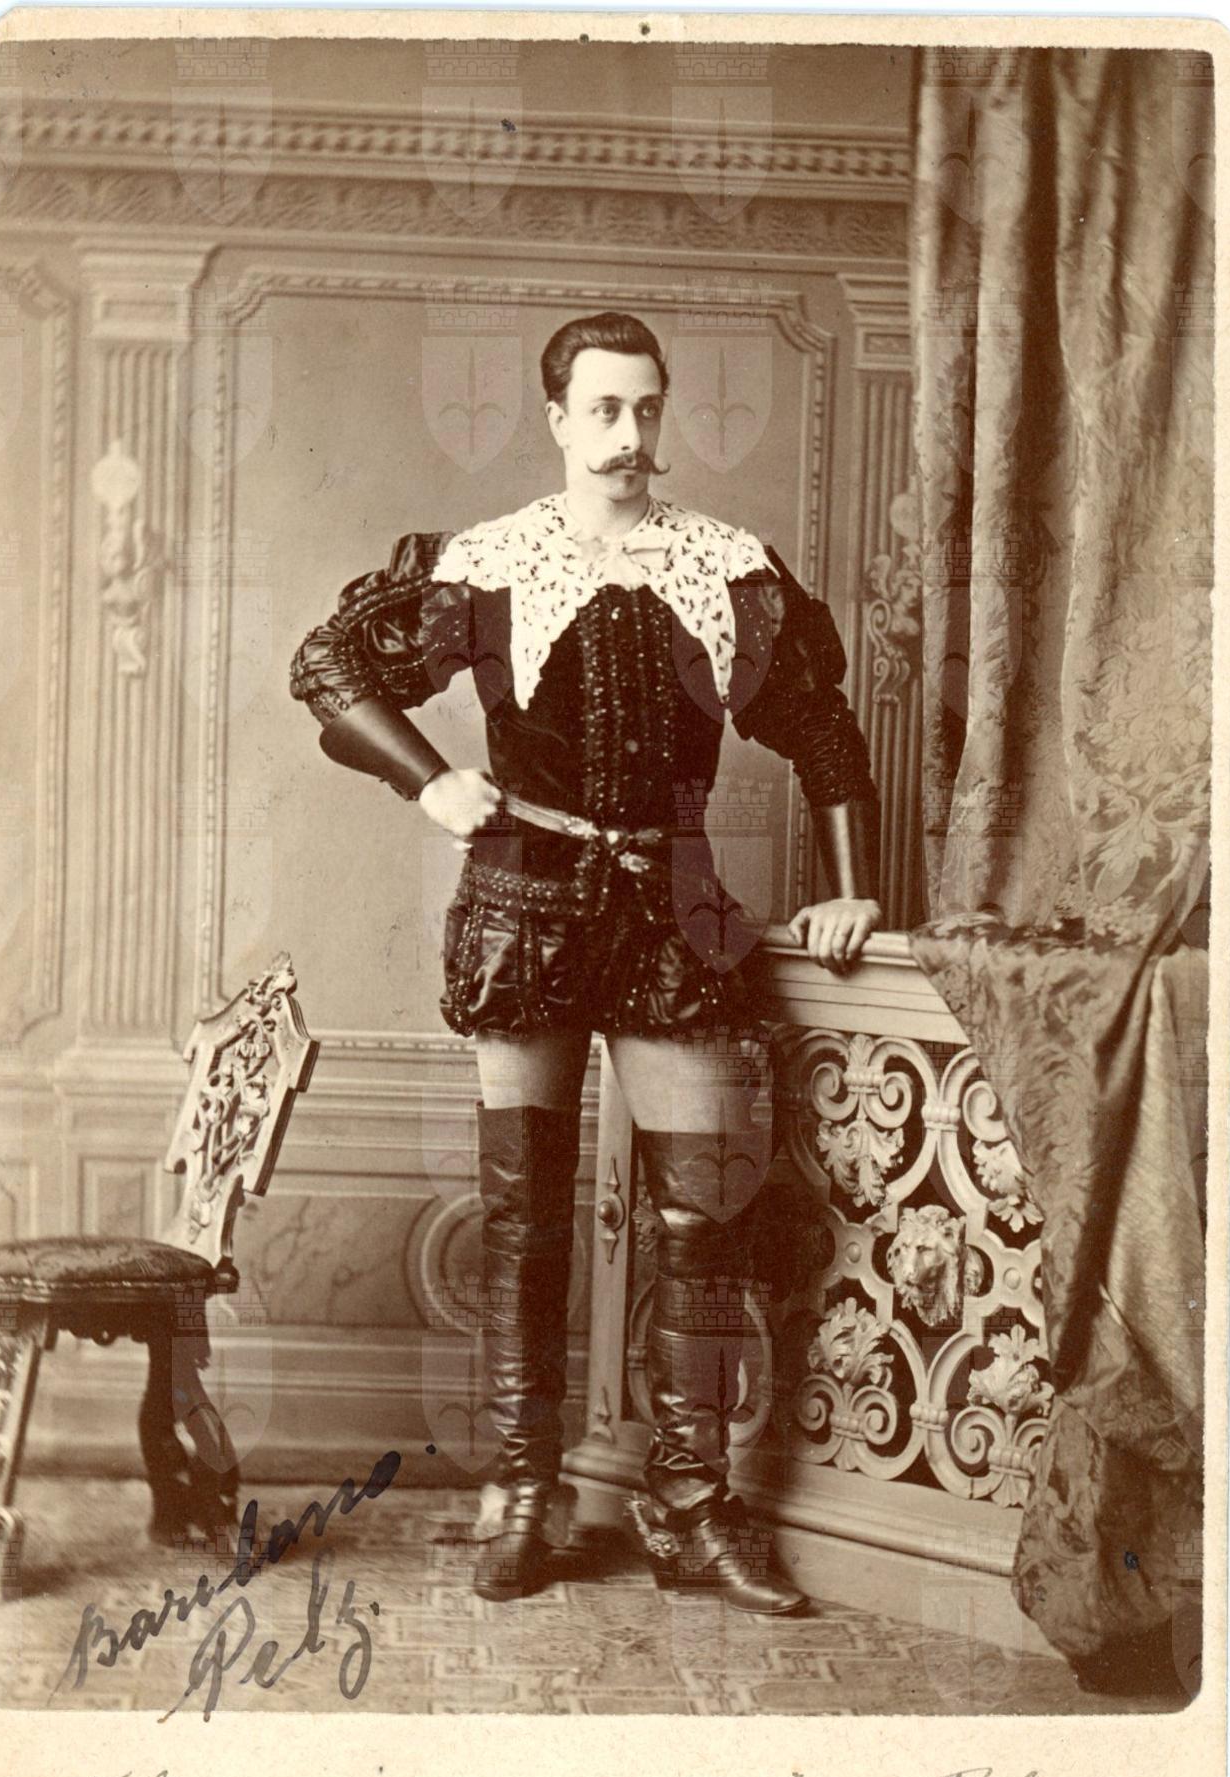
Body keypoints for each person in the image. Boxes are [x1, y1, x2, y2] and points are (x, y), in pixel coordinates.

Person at [289, 311, 882, 1615]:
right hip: (525, 909)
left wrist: (851, 891)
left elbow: (825, 730)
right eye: (604, 409)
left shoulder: (726, 567)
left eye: (647, 408)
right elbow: (328, 668)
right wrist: (430, 781)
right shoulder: (489, 565)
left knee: (702, 1220)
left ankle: (692, 1506)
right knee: (525, 1214)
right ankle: (526, 1492)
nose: (629, 434)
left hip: (676, 911)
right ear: (557, 417)